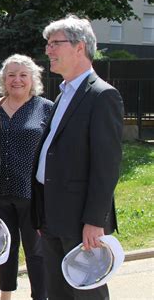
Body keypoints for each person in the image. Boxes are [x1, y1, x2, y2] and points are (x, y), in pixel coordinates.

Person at [32, 15, 124, 299]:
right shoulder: (63, 93)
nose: (48, 50)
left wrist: (95, 221)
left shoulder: (102, 96)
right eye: (47, 44)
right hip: (51, 215)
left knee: (87, 293)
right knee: (58, 292)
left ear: (79, 47)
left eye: (55, 43)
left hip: (80, 220)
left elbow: (106, 166)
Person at [0, 54, 52, 300]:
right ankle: (5, 295)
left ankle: (40, 296)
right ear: (3, 80)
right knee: (4, 248)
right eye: (11, 75)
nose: (16, 80)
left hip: (32, 194)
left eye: (23, 75)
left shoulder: (47, 108)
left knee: (36, 252)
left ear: (33, 79)